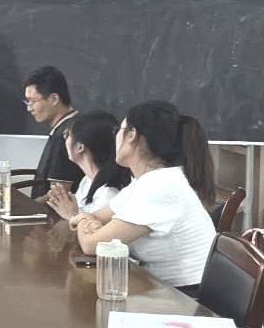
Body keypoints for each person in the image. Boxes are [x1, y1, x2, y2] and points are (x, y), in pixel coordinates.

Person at [72, 100, 217, 292]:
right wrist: (89, 220)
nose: (115, 137)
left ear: (131, 135)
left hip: (186, 297)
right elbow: (97, 217)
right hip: (161, 287)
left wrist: (82, 219)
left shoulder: (160, 184)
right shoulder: (146, 180)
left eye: (118, 130)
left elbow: (91, 245)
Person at [46, 111, 132, 220]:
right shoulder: (87, 180)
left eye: (67, 136)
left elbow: (94, 229)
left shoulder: (108, 194)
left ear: (80, 147)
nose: (65, 141)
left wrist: (72, 216)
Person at [22, 66, 84, 199]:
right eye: (28, 102)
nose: (29, 109)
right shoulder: (68, 126)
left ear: (54, 99)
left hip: (51, 211)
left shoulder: (66, 135)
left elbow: (59, 195)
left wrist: (28, 206)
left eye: (33, 102)